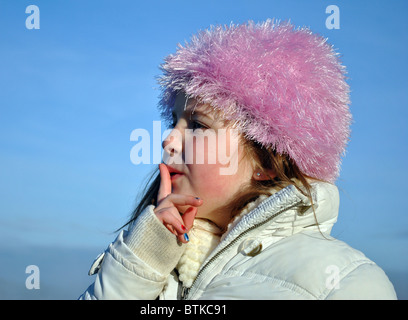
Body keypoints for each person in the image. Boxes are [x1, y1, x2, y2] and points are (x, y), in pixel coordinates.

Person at [79, 20, 397, 300]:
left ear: (268, 162)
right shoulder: (149, 256)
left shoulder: (344, 284)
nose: (168, 139)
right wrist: (143, 258)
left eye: (198, 124)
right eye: (173, 121)